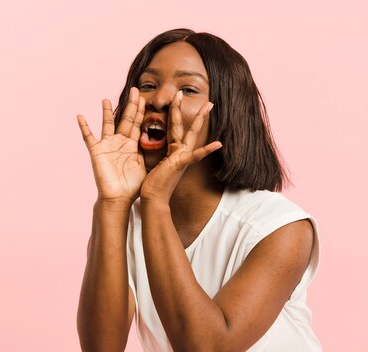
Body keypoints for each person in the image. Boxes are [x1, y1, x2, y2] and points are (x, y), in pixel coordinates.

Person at [76, 28, 320, 351]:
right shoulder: (127, 222)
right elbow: (101, 347)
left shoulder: (281, 228)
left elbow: (207, 347)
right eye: (148, 85)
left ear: (225, 111)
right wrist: (111, 202)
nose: (160, 99)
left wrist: (155, 200)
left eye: (188, 89)